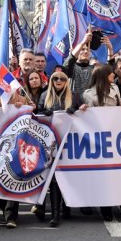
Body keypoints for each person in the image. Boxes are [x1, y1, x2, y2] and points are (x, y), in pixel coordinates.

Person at [78, 63, 121, 221]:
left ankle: (118, 201)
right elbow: (89, 116)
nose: (114, 75)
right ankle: (105, 207)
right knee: (103, 175)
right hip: (99, 138)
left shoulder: (114, 88)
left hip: (116, 136)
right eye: (110, 73)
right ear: (103, 75)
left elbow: (119, 103)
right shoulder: (89, 94)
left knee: (116, 173)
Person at [36, 71, 79, 226]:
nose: (58, 80)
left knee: (67, 176)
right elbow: (37, 114)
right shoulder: (44, 95)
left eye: (62, 78)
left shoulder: (74, 96)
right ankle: (55, 214)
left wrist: (77, 110)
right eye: (55, 78)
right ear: (51, 80)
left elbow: (83, 114)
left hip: (70, 144)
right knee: (54, 178)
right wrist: (43, 112)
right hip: (50, 142)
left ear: (66, 81)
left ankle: (66, 208)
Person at [64, 31, 114, 100]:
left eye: (88, 49)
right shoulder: (72, 68)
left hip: (91, 107)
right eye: (82, 49)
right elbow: (68, 63)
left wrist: (110, 49)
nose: (86, 51)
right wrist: (83, 43)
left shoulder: (95, 69)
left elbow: (110, 72)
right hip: (74, 107)